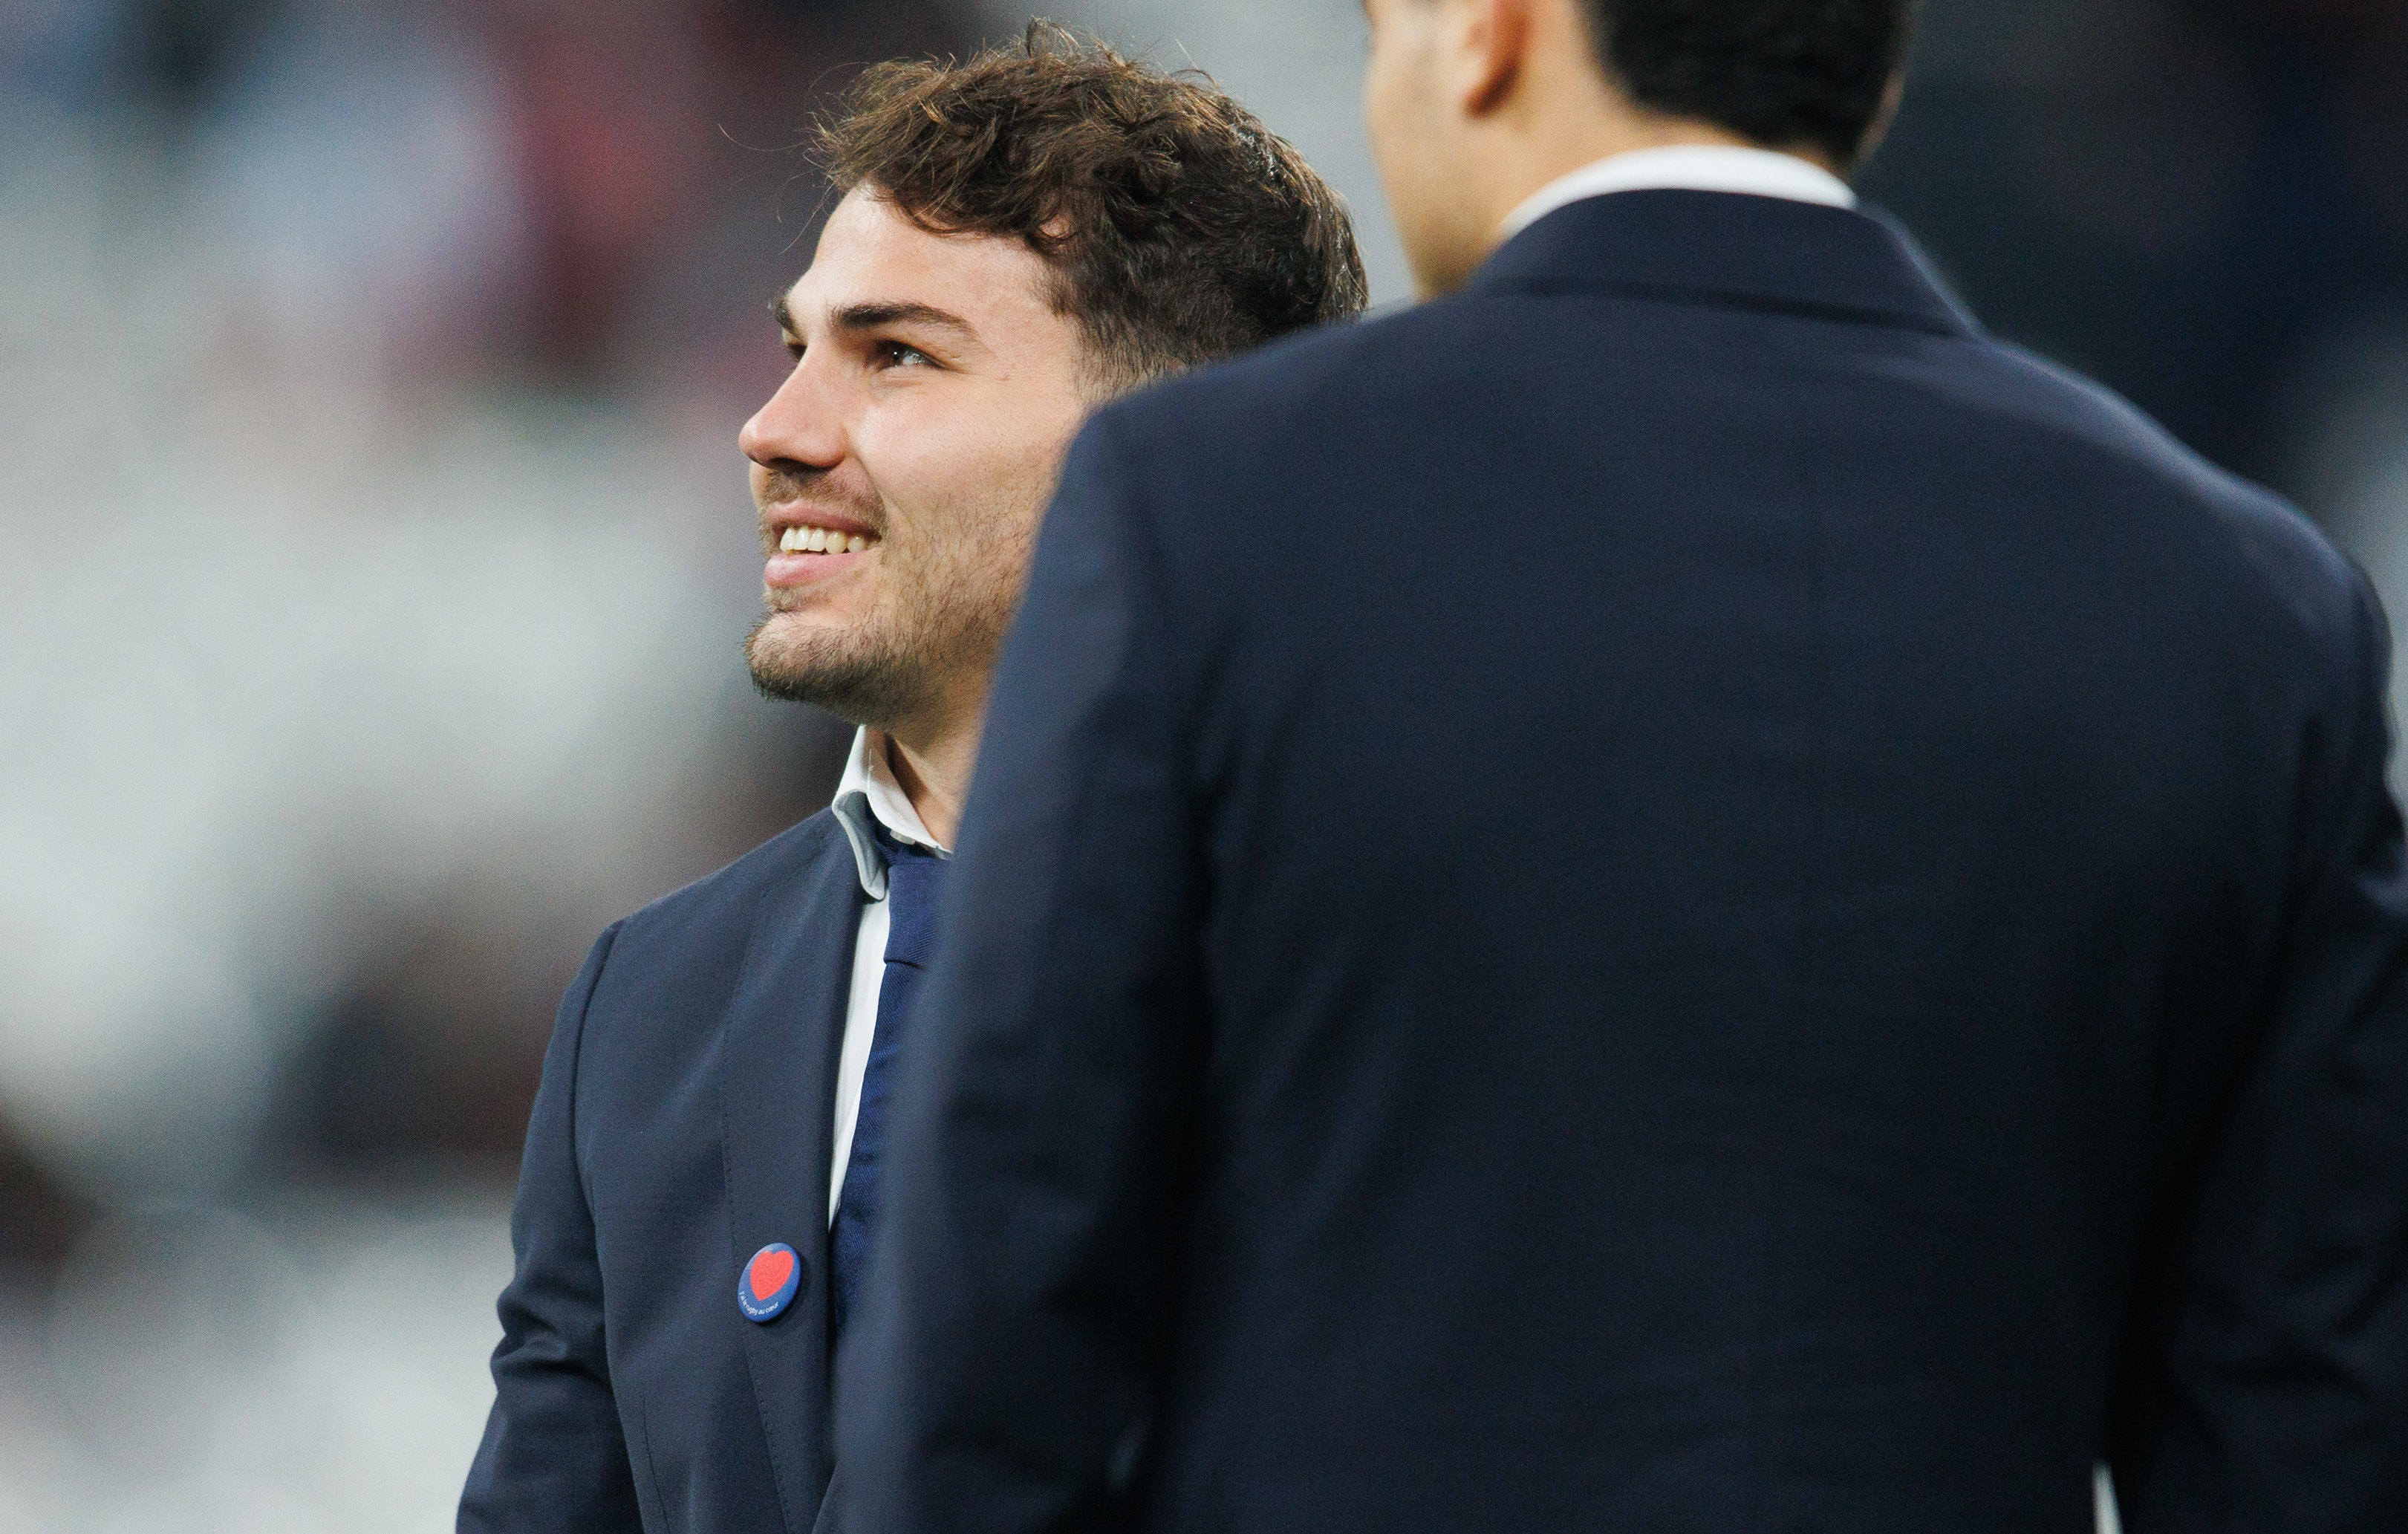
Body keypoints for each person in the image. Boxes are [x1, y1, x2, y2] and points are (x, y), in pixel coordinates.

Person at [838, 1, 2408, 1530]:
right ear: (1860, 79)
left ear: (1491, 30)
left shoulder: (1200, 510)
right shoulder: (2252, 613)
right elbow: (2304, 1432)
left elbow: (1000, 1333)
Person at [457, 27, 1365, 1534]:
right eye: (795, 345)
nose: (774, 429)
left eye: (893, 356)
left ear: (1171, 450)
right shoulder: (652, 1003)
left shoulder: (1419, 958)